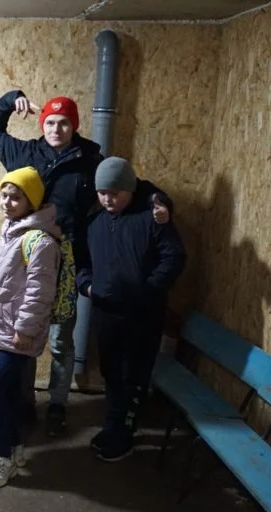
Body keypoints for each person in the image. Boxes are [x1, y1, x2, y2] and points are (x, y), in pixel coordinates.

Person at [0, 90, 101, 434]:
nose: (56, 129)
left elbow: (123, 186)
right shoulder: (26, 152)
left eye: (64, 123)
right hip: (24, 258)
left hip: (66, 260)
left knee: (61, 338)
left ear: (74, 126)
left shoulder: (90, 159)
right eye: (50, 122)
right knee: (25, 332)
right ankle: (24, 402)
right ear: (42, 123)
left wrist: (158, 200)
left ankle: (58, 404)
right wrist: (9, 101)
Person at [79, 157, 185, 461]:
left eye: (115, 192)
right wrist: (87, 286)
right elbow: (83, 263)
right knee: (111, 371)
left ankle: (125, 432)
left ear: (130, 189)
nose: (108, 199)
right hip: (107, 311)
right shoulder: (95, 222)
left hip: (143, 313)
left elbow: (174, 257)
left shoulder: (152, 218)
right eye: (103, 193)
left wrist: (148, 289)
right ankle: (113, 424)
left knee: (134, 374)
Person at [0, 167, 60, 488]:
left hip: (17, 332)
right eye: (5, 195)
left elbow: (39, 292)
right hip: (1, 327)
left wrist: (25, 328)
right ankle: (12, 445)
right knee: (7, 392)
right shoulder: (12, 229)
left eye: (16, 197)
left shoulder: (41, 241)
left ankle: (3, 458)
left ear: (31, 201)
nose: (7, 202)